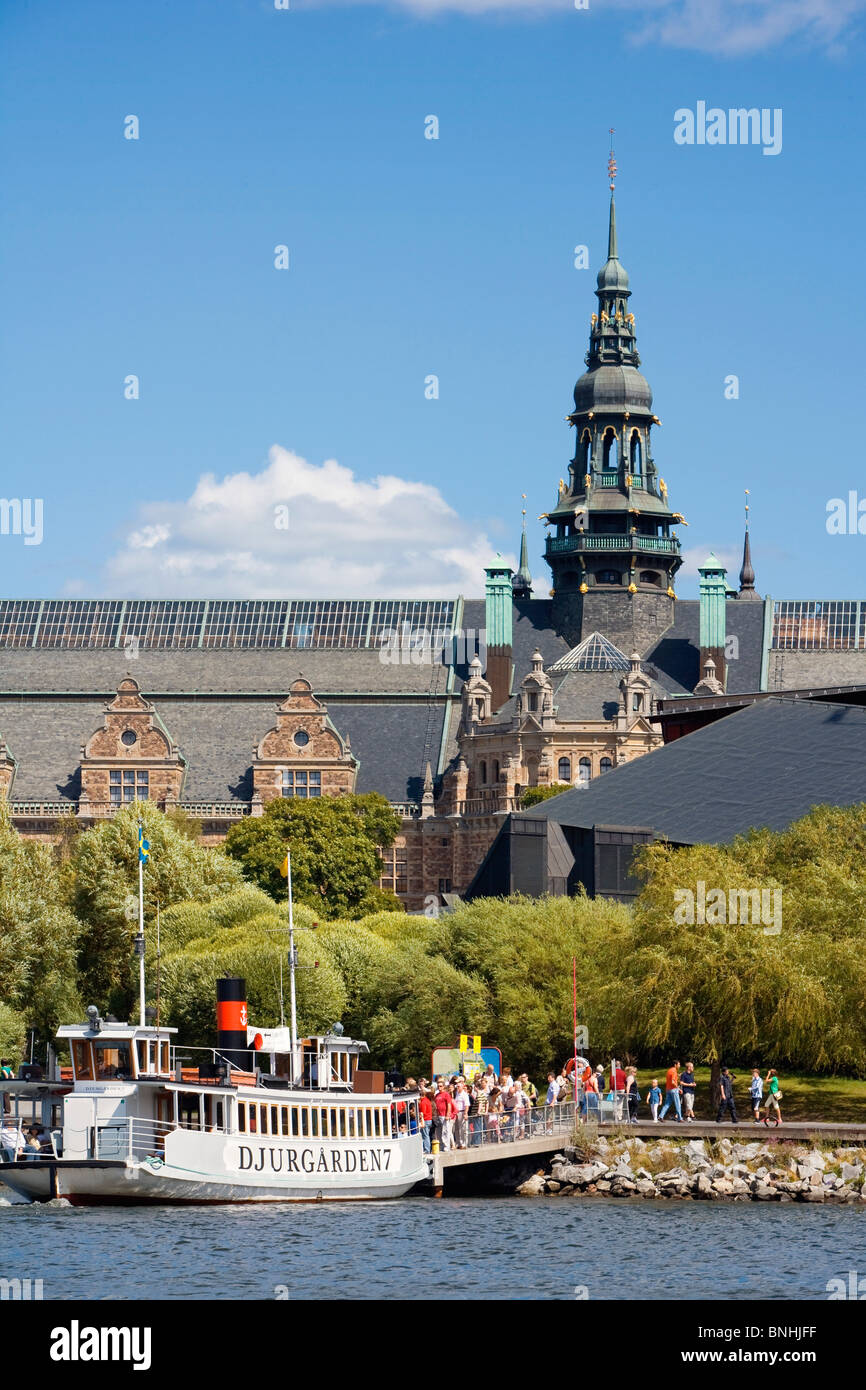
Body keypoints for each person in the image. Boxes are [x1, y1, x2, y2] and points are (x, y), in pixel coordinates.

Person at [433, 1079, 456, 1150]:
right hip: (438, 1115)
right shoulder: (436, 1095)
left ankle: (446, 1146)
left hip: (444, 1115)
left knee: (445, 1131)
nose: (439, 1087)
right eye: (438, 1086)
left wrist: (448, 1115)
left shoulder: (446, 1094)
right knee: (439, 1132)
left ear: (443, 1087)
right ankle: (441, 1146)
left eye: (440, 1086)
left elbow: (449, 1105)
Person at [453, 1080, 470, 1150]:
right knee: (456, 1129)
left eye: (459, 1086)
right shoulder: (456, 1093)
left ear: (462, 1087)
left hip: (462, 1112)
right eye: (457, 1086)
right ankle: (458, 1143)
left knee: (463, 1129)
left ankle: (464, 1143)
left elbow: (467, 1105)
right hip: (456, 1112)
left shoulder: (464, 1094)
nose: (457, 1088)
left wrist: (465, 1113)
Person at [419, 1088, 433, 1153]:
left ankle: (427, 1150)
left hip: (425, 1120)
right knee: (426, 1135)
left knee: (425, 1135)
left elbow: (423, 1113)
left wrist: (419, 1118)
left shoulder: (423, 1102)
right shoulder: (427, 1100)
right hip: (429, 1120)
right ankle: (427, 1149)